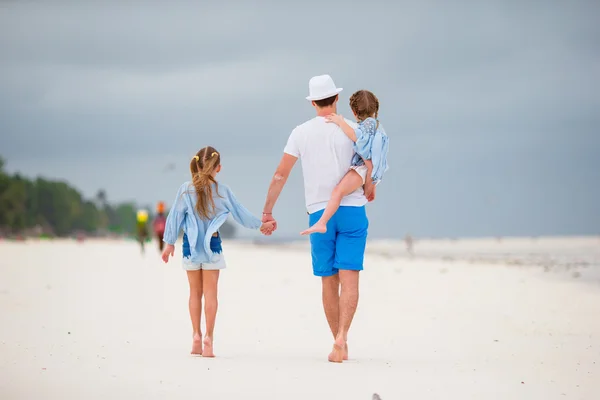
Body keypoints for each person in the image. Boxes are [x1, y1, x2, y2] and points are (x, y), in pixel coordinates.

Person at [261, 74, 373, 363]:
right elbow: (373, 162)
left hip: (319, 213)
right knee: (350, 277)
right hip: (352, 209)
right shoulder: (353, 128)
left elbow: (280, 175)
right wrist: (370, 185)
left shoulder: (300, 133)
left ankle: (337, 340)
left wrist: (268, 211)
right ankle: (343, 337)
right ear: (336, 99)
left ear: (312, 102)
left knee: (328, 280)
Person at [161, 146, 275, 357]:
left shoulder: (186, 189)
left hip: (190, 247)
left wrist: (169, 244)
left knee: (194, 294)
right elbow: (241, 214)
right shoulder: (222, 191)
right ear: (218, 168)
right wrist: (262, 224)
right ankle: (209, 339)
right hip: (212, 246)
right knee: (211, 294)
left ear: (196, 164)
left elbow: (174, 217)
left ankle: (196, 335)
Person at [300, 89, 389, 235]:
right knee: (365, 193)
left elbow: (357, 139)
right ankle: (368, 189)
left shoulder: (367, 125)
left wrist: (340, 122)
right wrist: (373, 183)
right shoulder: (378, 126)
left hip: (363, 168)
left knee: (337, 192)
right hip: (371, 169)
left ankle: (322, 222)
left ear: (354, 112)